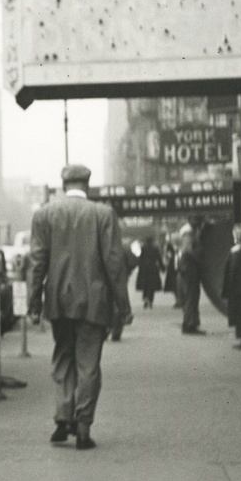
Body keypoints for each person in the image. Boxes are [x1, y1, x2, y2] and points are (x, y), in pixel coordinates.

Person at [28, 163, 131, 449]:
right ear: (87, 185)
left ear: (64, 186)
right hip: (94, 302)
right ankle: (83, 427)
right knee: (89, 363)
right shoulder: (103, 214)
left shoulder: (45, 214)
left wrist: (34, 301)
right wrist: (123, 306)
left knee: (63, 357)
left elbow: (37, 261)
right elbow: (114, 263)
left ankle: (63, 417)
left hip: (59, 300)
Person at [109, 239, 138, 341]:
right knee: (119, 301)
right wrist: (127, 271)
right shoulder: (124, 247)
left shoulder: (98, 244)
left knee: (105, 301)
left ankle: (105, 329)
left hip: (103, 278)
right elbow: (133, 261)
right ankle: (116, 331)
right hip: (120, 277)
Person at [176, 224, 203, 334]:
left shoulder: (188, 234)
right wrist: (198, 259)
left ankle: (191, 323)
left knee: (190, 297)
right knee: (191, 298)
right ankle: (189, 325)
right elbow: (187, 251)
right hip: (189, 271)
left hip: (188, 270)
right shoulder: (189, 235)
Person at [135, 234, 163, 309]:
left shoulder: (143, 248)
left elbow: (140, 259)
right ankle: (151, 300)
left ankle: (145, 298)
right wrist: (162, 268)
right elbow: (159, 258)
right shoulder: (155, 248)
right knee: (152, 285)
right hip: (153, 269)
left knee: (145, 285)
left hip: (144, 269)